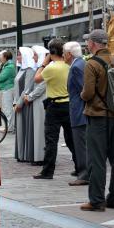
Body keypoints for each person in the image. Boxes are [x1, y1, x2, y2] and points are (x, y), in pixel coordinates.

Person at [80, 29, 114, 211]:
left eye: (88, 42)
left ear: (93, 43)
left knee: (97, 159)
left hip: (98, 116)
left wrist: (82, 95)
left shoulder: (92, 64)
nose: (87, 45)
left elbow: (88, 93)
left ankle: (96, 200)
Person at [33, 38, 76, 180]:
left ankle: (48, 171)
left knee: (51, 140)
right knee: (71, 139)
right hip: (68, 105)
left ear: (51, 53)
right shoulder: (69, 66)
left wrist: (43, 64)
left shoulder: (51, 68)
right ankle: (79, 166)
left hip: (54, 106)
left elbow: (37, 79)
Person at [63, 41, 89, 186]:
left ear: (69, 54)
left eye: (64, 53)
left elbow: (83, 89)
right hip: (78, 109)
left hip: (79, 111)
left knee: (81, 144)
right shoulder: (78, 64)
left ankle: (84, 174)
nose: (63, 56)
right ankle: (82, 171)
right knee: (80, 143)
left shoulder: (77, 67)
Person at [23, 45, 49, 165]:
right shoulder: (39, 68)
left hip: (41, 101)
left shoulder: (46, 68)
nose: (33, 57)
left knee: (40, 130)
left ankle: (41, 157)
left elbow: (42, 86)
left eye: (35, 54)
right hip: (36, 101)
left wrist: (31, 96)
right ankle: (38, 155)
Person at [13, 47, 35, 162]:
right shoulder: (21, 69)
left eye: (19, 55)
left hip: (24, 105)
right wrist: (14, 102)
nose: (17, 57)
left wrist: (19, 104)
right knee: (20, 129)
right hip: (18, 104)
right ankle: (21, 154)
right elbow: (16, 88)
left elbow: (26, 89)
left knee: (24, 128)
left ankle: (25, 154)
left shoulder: (30, 70)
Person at [0, 50, 16, 133]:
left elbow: (0, 78)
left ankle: (9, 127)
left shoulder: (9, 66)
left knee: (7, 108)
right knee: (6, 108)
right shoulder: (7, 65)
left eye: (1, 57)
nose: (0, 59)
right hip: (6, 88)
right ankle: (8, 126)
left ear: (5, 57)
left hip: (7, 89)